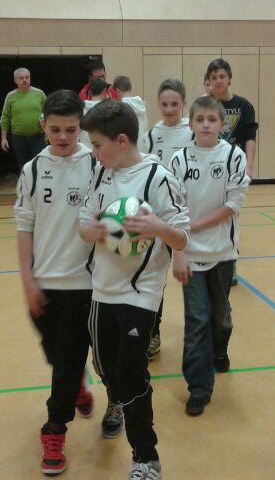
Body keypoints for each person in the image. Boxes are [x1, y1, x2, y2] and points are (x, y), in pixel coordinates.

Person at [79, 99, 190, 480]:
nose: (94, 152)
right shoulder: (100, 172)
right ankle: (117, 398)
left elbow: (182, 237)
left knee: (131, 371)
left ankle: (146, 456)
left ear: (122, 140)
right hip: (101, 289)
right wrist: (92, 230)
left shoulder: (157, 177)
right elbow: (83, 223)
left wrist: (158, 228)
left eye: (97, 145)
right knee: (104, 366)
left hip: (140, 293)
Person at [14, 89, 96, 476]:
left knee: (64, 362)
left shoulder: (96, 165)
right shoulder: (31, 170)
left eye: (72, 130)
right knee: (57, 354)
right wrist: (28, 281)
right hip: (43, 283)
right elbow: (24, 228)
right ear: (43, 125)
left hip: (83, 284)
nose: (63, 137)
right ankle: (76, 383)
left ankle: (54, 431)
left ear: (82, 128)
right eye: (56, 129)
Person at [170, 96, 249, 417]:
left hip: (222, 252)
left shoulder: (233, 156)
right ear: (190, 124)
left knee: (220, 317)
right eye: (199, 119)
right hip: (190, 253)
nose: (205, 125)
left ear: (222, 124)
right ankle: (198, 387)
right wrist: (178, 249)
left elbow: (233, 205)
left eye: (211, 120)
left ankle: (220, 348)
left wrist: (195, 225)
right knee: (197, 319)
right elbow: (173, 207)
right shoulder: (178, 160)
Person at [139, 78, 194, 360]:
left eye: (175, 104)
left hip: (186, 218)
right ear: (157, 105)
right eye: (164, 104)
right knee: (155, 277)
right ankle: (153, 332)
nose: (170, 109)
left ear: (184, 103)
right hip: (159, 218)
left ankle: (198, 332)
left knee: (192, 279)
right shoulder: (151, 136)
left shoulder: (193, 132)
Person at [207, 58, 257, 290]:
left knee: (230, 215)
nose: (218, 81)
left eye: (222, 76)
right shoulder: (205, 105)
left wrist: (249, 166)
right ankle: (208, 261)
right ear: (208, 81)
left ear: (229, 79)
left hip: (234, 168)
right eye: (214, 77)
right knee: (210, 212)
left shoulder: (243, 105)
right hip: (210, 168)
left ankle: (230, 262)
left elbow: (250, 137)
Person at [0, 67, 47, 173]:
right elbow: (5, 117)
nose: (25, 80)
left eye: (27, 77)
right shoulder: (10, 96)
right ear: (15, 80)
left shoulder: (40, 94)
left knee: (39, 165)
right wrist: (3, 138)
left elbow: (48, 114)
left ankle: (38, 184)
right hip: (19, 138)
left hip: (38, 137)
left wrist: (48, 133)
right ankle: (25, 183)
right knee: (23, 166)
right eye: (21, 78)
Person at [79, 76, 110, 149]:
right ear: (105, 91)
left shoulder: (80, 109)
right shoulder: (107, 110)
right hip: (101, 150)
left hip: (85, 150)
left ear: (90, 92)